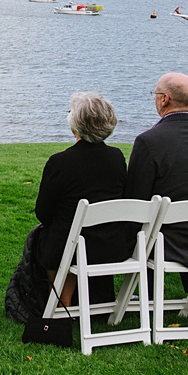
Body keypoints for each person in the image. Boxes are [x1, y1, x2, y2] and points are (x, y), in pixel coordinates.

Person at [31, 93, 128, 306]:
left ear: (75, 126)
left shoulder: (60, 162)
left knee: (49, 237)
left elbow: (43, 213)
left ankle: (61, 303)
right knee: (67, 234)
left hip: (71, 247)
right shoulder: (117, 158)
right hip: (111, 243)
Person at [125, 73, 188, 282]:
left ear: (165, 99)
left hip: (164, 240)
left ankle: (143, 292)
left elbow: (135, 197)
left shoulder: (148, 140)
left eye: (156, 93)